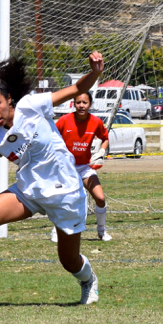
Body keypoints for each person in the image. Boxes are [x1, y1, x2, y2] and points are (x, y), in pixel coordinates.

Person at [0, 52, 104, 306]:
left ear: (9, 99)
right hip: (28, 192)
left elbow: (76, 89)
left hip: (65, 193)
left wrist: (95, 72)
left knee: (69, 261)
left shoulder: (31, 105)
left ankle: (88, 279)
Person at [50, 93, 112, 243]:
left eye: (85, 102)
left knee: (100, 198)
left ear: (90, 104)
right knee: (64, 200)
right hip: (66, 168)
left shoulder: (96, 122)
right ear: (74, 104)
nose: (81, 105)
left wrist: (101, 152)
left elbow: (105, 138)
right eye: (78, 102)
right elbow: (51, 138)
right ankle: (56, 231)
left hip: (84, 167)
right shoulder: (64, 121)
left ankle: (101, 231)